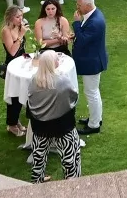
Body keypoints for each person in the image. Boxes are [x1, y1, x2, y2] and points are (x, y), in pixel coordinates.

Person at [27, 50, 82, 182]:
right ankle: (73, 183)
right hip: (62, 127)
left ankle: (37, 182)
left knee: (38, 158)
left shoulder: (34, 80)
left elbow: (30, 101)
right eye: (57, 59)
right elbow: (73, 97)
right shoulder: (62, 80)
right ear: (52, 64)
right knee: (70, 157)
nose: (59, 60)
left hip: (40, 127)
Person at [72, 0, 107, 135]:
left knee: (92, 93)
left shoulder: (95, 21)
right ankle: (95, 118)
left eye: (79, 5)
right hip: (92, 59)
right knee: (93, 92)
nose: (77, 7)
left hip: (91, 62)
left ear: (87, 5)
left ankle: (94, 125)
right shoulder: (92, 16)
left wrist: (76, 24)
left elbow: (83, 40)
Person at [1, 6, 31, 137]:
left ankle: (16, 121)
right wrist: (21, 35)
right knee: (14, 95)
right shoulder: (6, 31)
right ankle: (11, 124)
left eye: (21, 16)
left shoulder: (20, 27)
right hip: (12, 66)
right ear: (10, 17)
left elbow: (22, 49)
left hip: (22, 63)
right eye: (17, 17)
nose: (21, 19)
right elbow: (12, 52)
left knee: (22, 93)